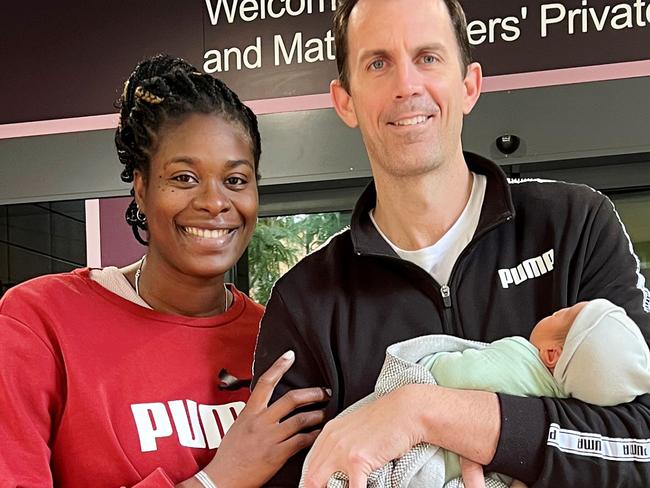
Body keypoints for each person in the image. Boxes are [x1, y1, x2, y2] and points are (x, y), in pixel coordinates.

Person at [251, 0, 650, 486]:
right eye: (378, 64)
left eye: (428, 57)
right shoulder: (305, 300)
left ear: (469, 86)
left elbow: (641, 441)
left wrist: (425, 412)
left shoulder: (575, 226)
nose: (406, 86)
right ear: (345, 101)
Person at [0, 54, 330, 487]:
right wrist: (218, 480)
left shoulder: (275, 338)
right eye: (184, 178)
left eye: (235, 180)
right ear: (141, 187)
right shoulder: (39, 322)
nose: (215, 202)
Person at [302, 298, 650, 488]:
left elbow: (453, 374)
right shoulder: (562, 409)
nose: (557, 308)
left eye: (563, 314)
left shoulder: (519, 356)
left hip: (423, 459)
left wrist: (430, 371)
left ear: (551, 355)